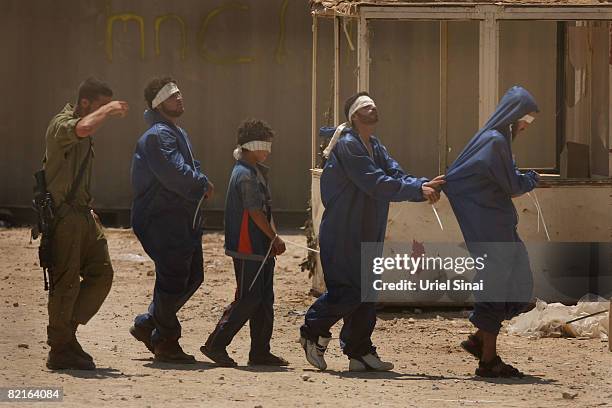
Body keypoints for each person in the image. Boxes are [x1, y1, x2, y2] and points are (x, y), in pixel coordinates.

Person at [299, 92, 445, 371]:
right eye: (366, 105)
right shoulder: (348, 146)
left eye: (374, 104)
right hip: (344, 231)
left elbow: (395, 174)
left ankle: (359, 351)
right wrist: (417, 190)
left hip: (369, 229)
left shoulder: (374, 145)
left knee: (367, 291)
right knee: (349, 291)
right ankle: (312, 330)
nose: (373, 107)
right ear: (354, 116)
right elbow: (376, 182)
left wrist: (424, 184)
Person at [443, 85, 540, 378]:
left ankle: (480, 338)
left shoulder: (492, 140)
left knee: (517, 281)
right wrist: (531, 180)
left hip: (497, 226)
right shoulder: (495, 141)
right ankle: (488, 360)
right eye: (526, 118)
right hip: (491, 229)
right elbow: (510, 185)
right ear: (513, 114)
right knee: (498, 285)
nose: (526, 125)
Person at [43, 77, 129, 370]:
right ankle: (60, 348)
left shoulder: (82, 129)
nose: (104, 113)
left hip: (81, 213)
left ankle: (68, 333)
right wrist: (110, 109)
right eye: (99, 106)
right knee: (65, 282)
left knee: (102, 273)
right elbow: (84, 127)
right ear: (85, 103)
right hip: (64, 217)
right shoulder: (62, 124)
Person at [130, 77, 213, 364]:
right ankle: (166, 341)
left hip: (182, 218)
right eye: (172, 95)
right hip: (161, 218)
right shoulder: (157, 136)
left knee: (192, 276)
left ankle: (148, 323)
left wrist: (201, 180)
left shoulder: (176, 132)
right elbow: (175, 174)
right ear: (158, 104)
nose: (179, 97)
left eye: (179, 93)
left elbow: (190, 166)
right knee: (173, 279)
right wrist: (201, 183)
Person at [201, 119, 288, 367]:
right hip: (249, 247)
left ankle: (260, 352)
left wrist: (272, 239)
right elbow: (254, 212)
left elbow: (264, 211)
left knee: (264, 299)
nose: (268, 151)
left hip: (261, 248)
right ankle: (215, 345)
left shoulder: (255, 171)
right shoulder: (246, 175)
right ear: (253, 146)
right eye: (266, 145)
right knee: (248, 298)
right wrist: (274, 237)